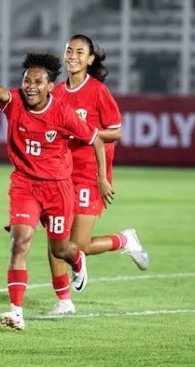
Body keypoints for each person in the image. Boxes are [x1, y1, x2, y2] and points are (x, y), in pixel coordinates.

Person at [0, 51, 113, 331]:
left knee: (61, 248)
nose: (30, 87)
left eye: (38, 82)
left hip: (57, 189)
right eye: (27, 81)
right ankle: (16, 311)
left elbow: (97, 141)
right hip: (24, 184)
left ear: (51, 86)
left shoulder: (63, 113)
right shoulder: (16, 101)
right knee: (20, 242)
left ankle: (78, 260)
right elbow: (5, 94)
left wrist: (102, 178)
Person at [46, 34, 149, 316]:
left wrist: (101, 172)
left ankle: (125, 241)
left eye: (80, 51)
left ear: (90, 59)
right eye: (69, 50)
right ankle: (64, 301)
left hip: (90, 174)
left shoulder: (98, 92)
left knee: (79, 245)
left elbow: (116, 132)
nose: (73, 55)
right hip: (61, 174)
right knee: (55, 238)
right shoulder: (56, 93)